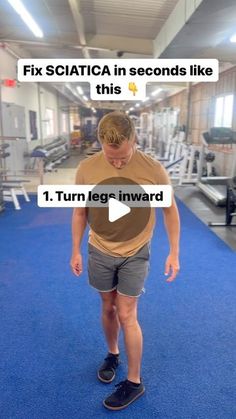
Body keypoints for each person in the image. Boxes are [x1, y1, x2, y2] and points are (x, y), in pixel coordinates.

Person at [70, 111, 180, 411]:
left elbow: (169, 210)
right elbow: (80, 212)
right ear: (101, 145)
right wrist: (76, 250)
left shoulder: (153, 169)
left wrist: (174, 251)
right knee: (107, 306)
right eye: (110, 157)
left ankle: (134, 382)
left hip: (135, 251)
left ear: (134, 140)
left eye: (122, 157)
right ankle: (112, 353)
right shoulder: (86, 168)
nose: (117, 163)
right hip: (99, 249)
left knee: (126, 312)